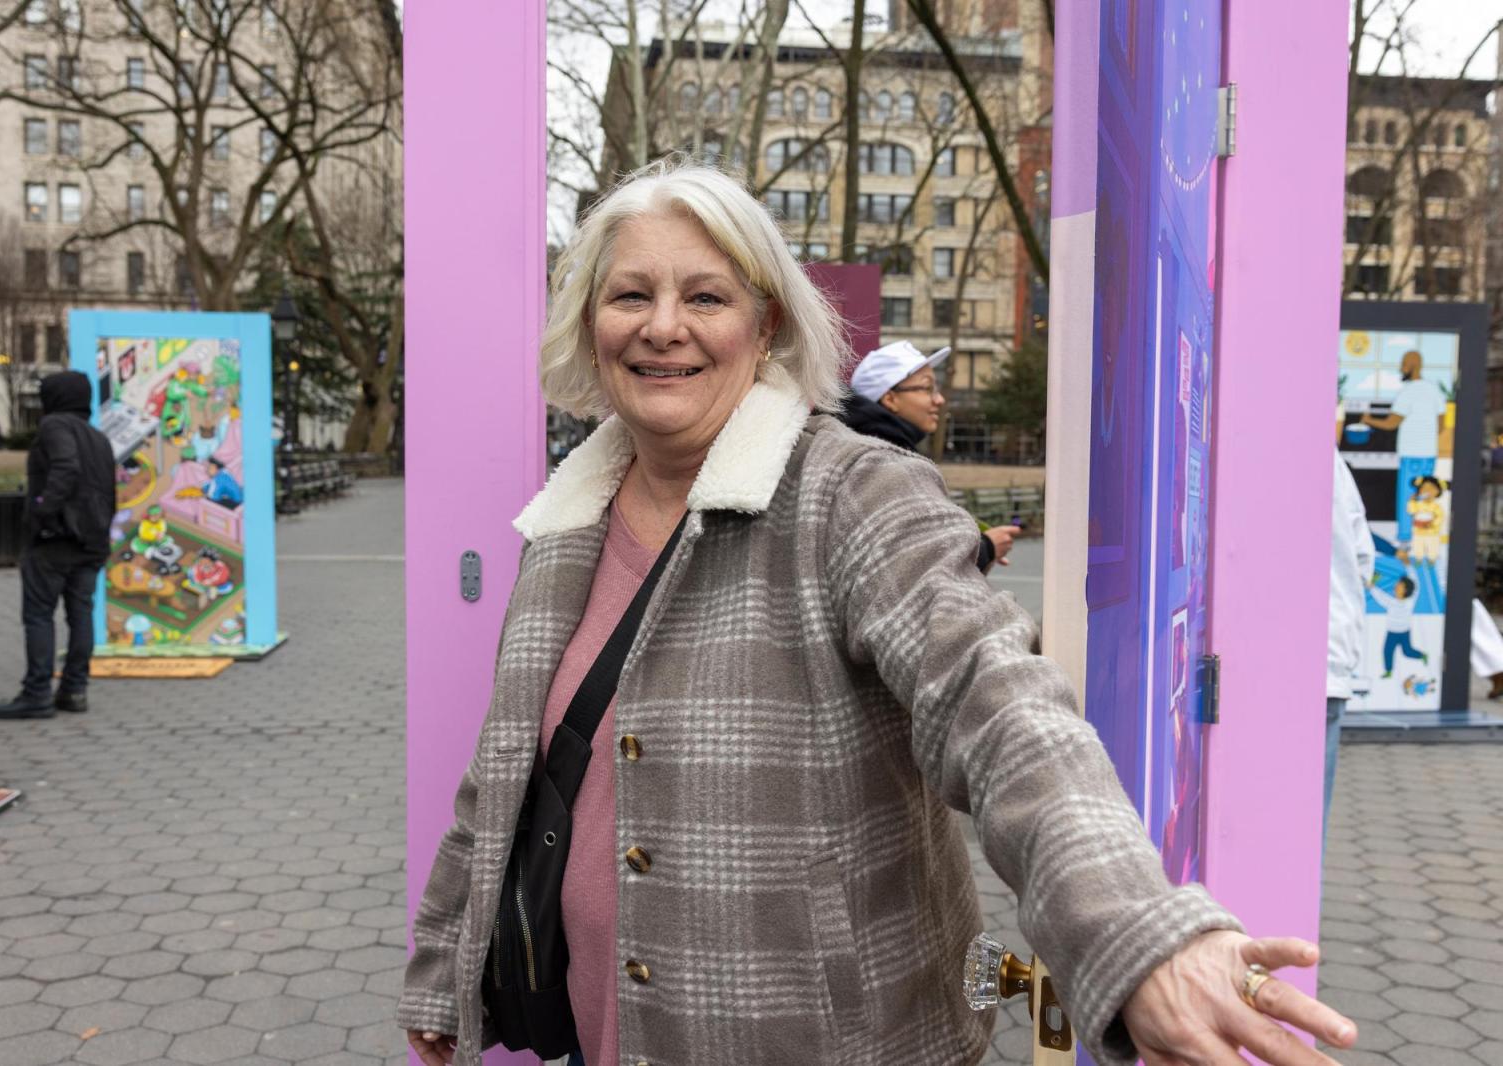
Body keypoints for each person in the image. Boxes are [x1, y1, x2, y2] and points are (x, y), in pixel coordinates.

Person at [400, 160, 1355, 1066]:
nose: (663, 327)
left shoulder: (854, 494)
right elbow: (501, 777)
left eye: (705, 296)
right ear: (591, 323)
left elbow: (999, 705)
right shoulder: (564, 526)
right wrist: (445, 978)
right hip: (606, 1032)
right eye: (630, 296)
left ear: (765, 325)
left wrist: (1135, 935)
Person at [0, 371, 116, 720]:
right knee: (81, 615)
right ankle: (75, 689)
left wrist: (40, 512)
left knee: (38, 615)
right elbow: (109, 491)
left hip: (55, 540)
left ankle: (37, 693)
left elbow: (65, 468)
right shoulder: (98, 437)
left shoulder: (54, 427)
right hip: (90, 541)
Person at [841, 340, 1020, 570]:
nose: (939, 400)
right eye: (927, 388)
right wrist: (985, 548)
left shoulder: (870, 449)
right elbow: (916, 559)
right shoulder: (886, 463)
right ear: (890, 399)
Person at [1326, 449, 1374, 842]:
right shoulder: (1333, 463)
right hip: (1330, 662)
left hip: (1266, 677)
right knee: (1310, 824)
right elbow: (1364, 557)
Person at [1359, 349, 1444, 546]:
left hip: (1411, 454)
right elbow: (1441, 425)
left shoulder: (1408, 392)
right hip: (1429, 454)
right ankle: (1424, 536)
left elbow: (1391, 424)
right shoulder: (1433, 390)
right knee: (1426, 496)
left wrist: (1368, 419)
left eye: (1404, 364)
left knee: (1409, 497)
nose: (1401, 368)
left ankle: (1406, 538)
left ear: (1412, 366)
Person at [1370, 576, 1426, 678]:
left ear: (1406, 590)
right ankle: (1388, 671)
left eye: (1399, 585)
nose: (1396, 586)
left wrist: (1409, 566)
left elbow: (1416, 585)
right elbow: (1380, 596)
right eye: (1397, 584)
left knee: (1407, 652)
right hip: (1392, 632)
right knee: (1387, 651)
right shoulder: (1390, 601)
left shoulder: (1410, 601)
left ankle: (1422, 655)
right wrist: (1371, 586)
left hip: (1404, 632)